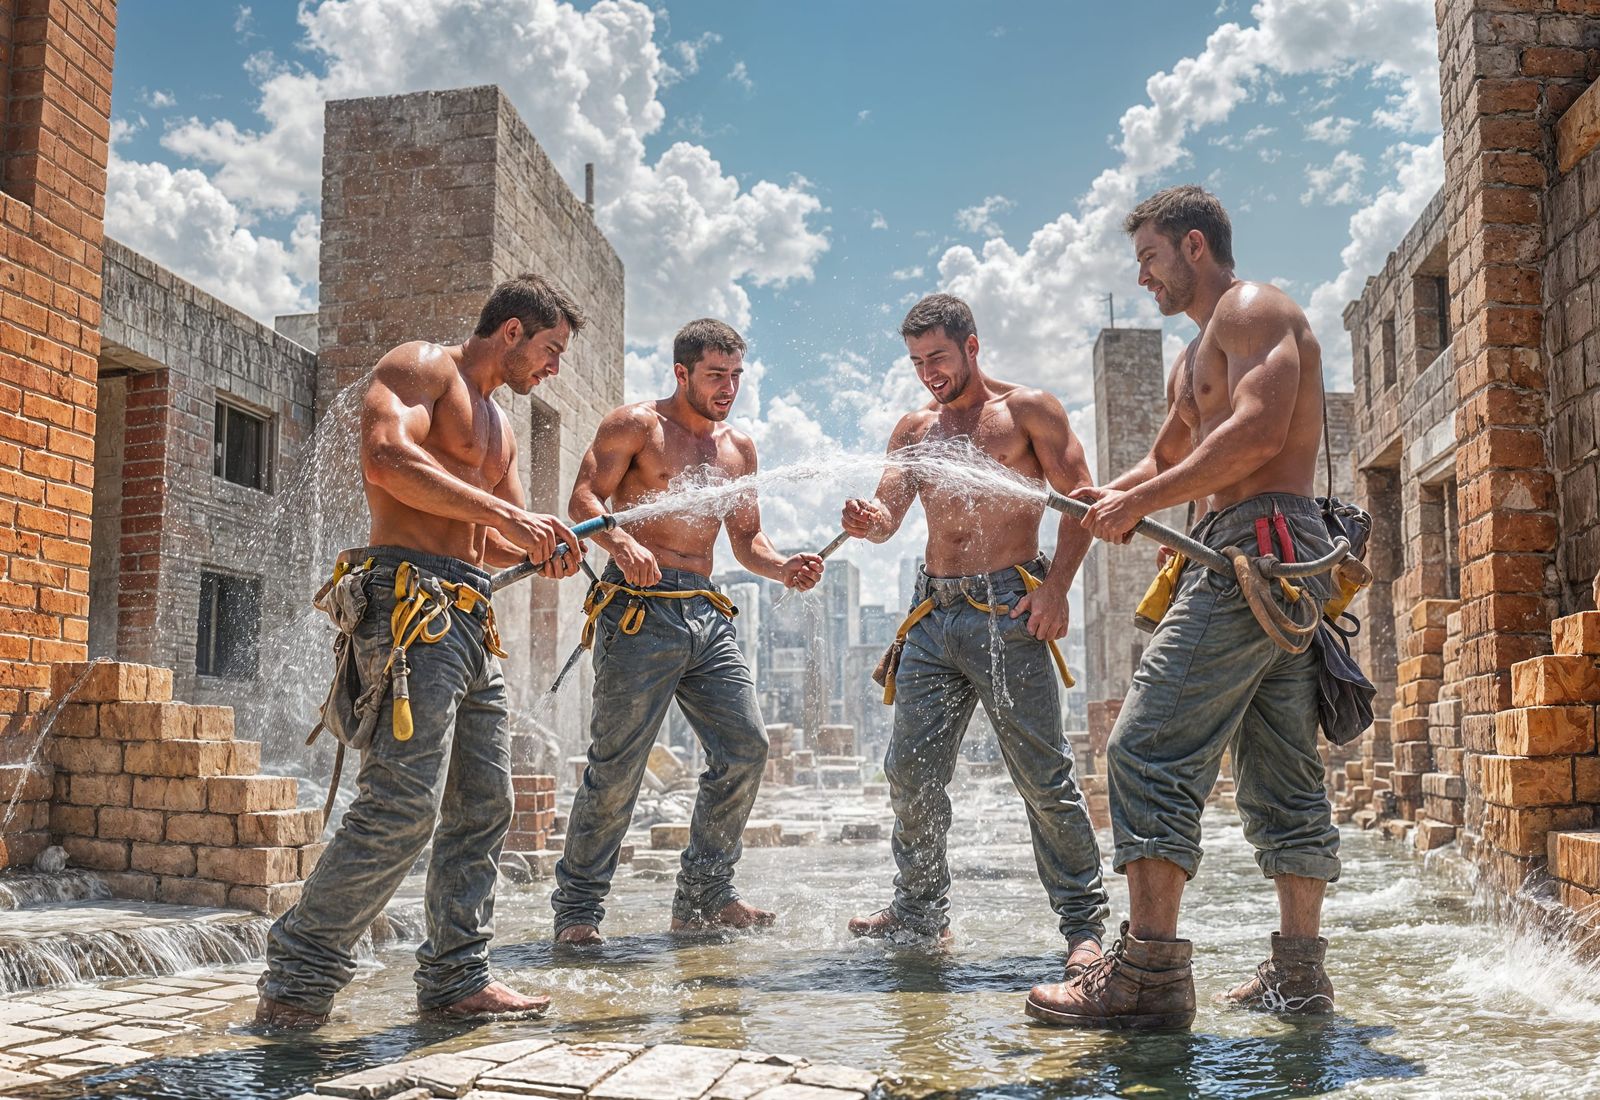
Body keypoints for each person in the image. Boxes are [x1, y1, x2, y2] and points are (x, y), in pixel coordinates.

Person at [1025, 185, 1340, 1030]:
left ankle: (1150, 980)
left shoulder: (1252, 309)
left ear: (1194, 246)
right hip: (1259, 557)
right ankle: (1300, 978)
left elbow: (1259, 433)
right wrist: (1104, 497)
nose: (1143, 279)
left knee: (1144, 747)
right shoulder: (1195, 352)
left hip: (1258, 547)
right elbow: (1164, 455)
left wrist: (1148, 501)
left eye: (1150, 259)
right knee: (1281, 770)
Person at [255, 273, 588, 1028]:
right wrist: (511, 514)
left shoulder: (500, 426)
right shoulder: (422, 367)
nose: (553, 367)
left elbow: (497, 530)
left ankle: (455, 977)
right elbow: (386, 460)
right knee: (403, 803)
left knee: (485, 802)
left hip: (472, 612)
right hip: (407, 600)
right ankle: (297, 981)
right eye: (550, 349)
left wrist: (542, 542)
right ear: (511, 331)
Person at [839, 293, 1108, 970]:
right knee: (908, 770)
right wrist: (863, 518)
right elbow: (887, 518)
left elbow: (1082, 500)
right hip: (932, 614)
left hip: (1009, 609)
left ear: (971, 346)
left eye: (938, 357)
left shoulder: (1027, 412)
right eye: (916, 360)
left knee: (1043, 776)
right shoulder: (914, 430)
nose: (928, 371)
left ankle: (1084, 926)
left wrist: (1056, 590)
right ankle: (921, 912)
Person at [551, 318, 824, 945]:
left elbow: (747, 539)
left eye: (735, 376)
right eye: (715, 375)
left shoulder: (740, 450)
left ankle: (702, 899)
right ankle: (578, 913)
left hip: (707, 612)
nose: (728, 388)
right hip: (637, 610)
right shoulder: (636, 425)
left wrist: (785, 566)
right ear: (681, 373)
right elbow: (584, 501)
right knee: (617, 765)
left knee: (746, 748)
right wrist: (618, 541)